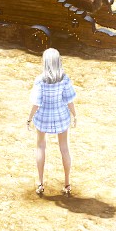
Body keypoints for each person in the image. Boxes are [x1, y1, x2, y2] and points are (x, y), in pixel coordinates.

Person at [28, 48, 78, 196]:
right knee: (64, 148)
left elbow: (36, 103)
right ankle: (67, 184)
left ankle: (40, 183)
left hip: (43, 117)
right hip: (61, 117)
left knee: (40, 146)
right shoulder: (64, 78)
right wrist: (75, 115)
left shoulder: (40, 80)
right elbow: (69, 101)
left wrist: (29, 119)